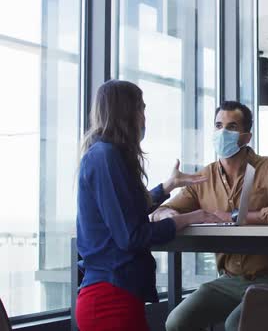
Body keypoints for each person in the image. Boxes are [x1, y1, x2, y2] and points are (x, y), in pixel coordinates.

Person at [75, 80, 222, 331]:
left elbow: (125, 212)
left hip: (117, 295)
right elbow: (132, 236)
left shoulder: (106, 155)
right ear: (126, 112)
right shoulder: (105, 157)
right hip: (110, 300)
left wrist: (167, 187)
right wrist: (185, 219)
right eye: (141, 108)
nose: (144, 117)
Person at [151, 101, 268, 331]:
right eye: (218, 125)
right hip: (228, 280)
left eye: (231, 127)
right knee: (177, 322)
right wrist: (173, 214)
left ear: (246, 137)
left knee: (236, 324)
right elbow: (160, 211)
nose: (222, 132)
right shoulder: (204, 177)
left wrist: (237, 216)